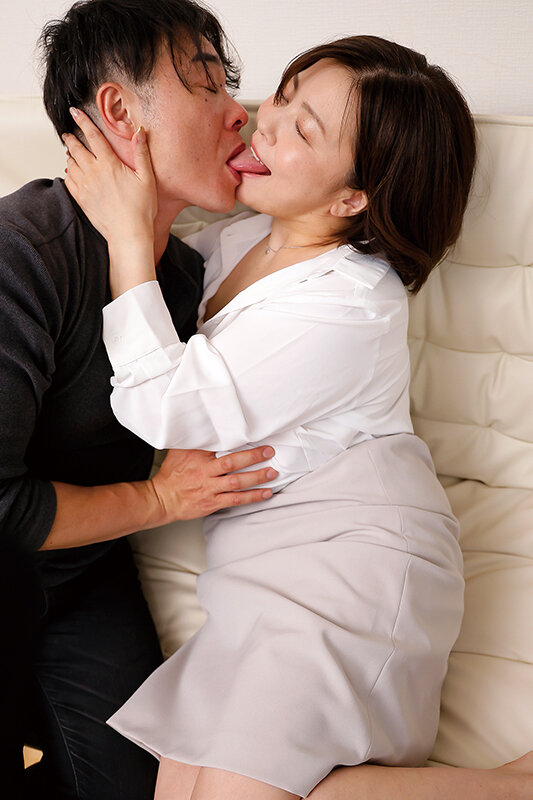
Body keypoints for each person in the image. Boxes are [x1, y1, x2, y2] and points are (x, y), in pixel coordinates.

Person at [65, 30, 533, 800]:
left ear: (352, 198)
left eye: (302, 129)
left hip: (353, 566)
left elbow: (165, 408)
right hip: (253, 574)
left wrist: (125, 236)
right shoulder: (238, 239)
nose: (263, 125)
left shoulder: (350, 302)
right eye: (281, 97)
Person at [0, 1, 279, 796]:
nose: (239, 113)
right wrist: (159, 499)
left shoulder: (188, 280)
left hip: (79, 575)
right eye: (206, 84)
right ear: (120, 112)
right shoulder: (24, 251)